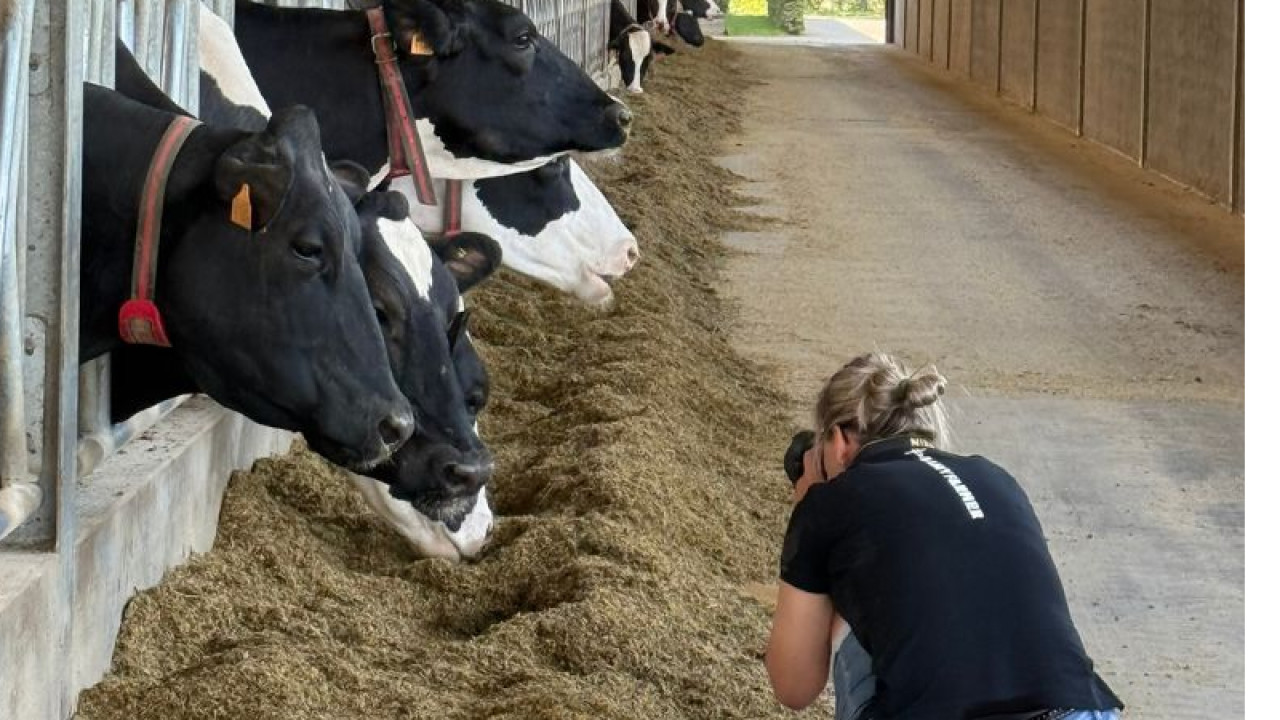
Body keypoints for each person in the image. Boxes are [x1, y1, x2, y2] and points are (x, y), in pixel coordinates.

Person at [765, 352, 1123, 720]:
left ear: (838, 441)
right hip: (1079, 711)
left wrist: (809, 523)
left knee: (849, 613)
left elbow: (794, 687)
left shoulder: (830, 503)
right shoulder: (996, 478)